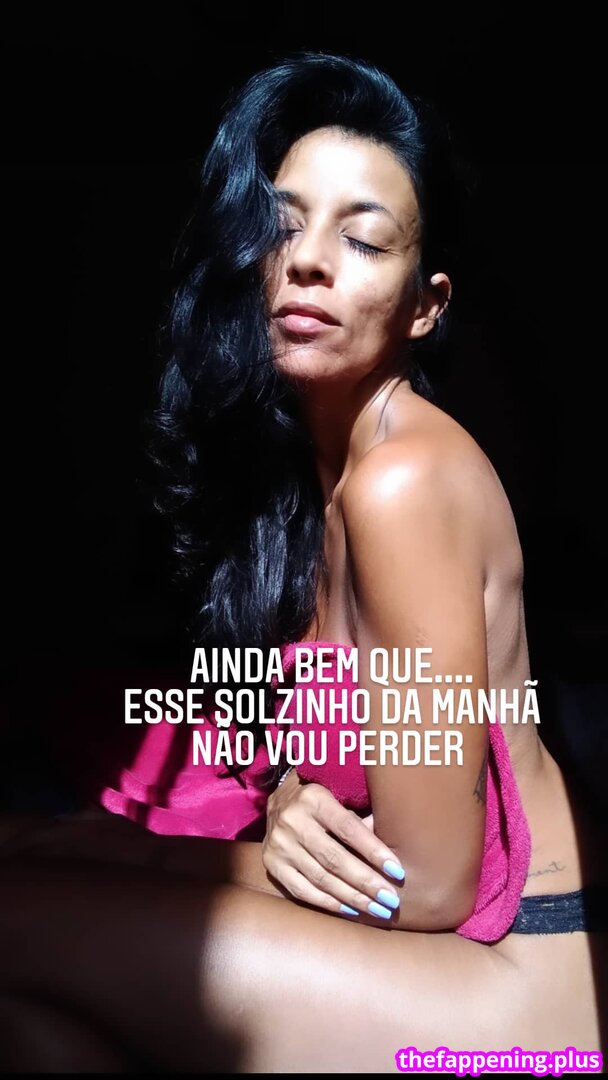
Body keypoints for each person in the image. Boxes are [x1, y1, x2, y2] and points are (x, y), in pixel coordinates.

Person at [0, 50, 606, 1073]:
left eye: (362, 238)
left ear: (425, 305)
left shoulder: (402, 481)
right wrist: (282, 795)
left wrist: (138, 854)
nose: (309, 260)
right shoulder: (313, 481)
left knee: (21, 905)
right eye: (283, 225)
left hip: (514, 988)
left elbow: (426, 886)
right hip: (447, 956)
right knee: (32, 1027)